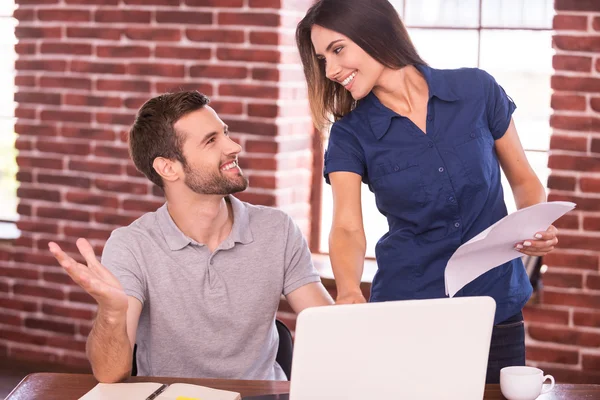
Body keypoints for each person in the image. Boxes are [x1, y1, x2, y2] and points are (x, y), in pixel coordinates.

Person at [296, 0, 559, 384]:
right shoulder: (350, 134)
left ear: (376, 31)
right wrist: (350, 290)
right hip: (408, 311)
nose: (331, 70)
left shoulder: (476, 90)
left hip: (496, 305)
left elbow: (523, 180)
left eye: (337, 50)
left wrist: (534, 226)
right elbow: (348, 226)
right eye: (322, 60)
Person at [48, 91, 333, 383]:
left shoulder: (277, 229)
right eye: (211, 141)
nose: (234, 146)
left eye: (225, 133)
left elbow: (330, 330)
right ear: (168, 168)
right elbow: (109, 373)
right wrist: (112, 312)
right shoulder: (131, 245)